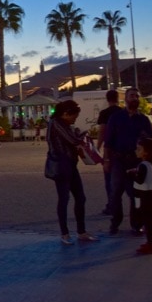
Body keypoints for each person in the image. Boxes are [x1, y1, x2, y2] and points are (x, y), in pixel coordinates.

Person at [46, 100, 98, 245]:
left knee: (80, 198)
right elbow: (73, 141)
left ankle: (81, 231)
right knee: (64, 199)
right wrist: (83, 136)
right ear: (65, 114)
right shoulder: (56, 123)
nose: (75, 118)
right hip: (61, 166)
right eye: (74, 115)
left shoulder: (64, 124)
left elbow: (73, 139)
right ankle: (65, 233)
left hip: (70, 164)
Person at [103, 87, 152, 235]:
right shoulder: (116, 118)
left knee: (136, 195)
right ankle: (115, 223)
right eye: (131, 96)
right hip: (118, 161)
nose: (134, 98)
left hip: (136, 162)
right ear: (125, 99)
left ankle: (136, 224)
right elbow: (108, 141)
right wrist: (107, 160)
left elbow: (150, 143)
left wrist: (150, 162)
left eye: (137, 96)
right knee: (115, 193)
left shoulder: (143, 120)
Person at [128, 138, 152, 254]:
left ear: (146, 152)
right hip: (149, 195)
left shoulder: (143, 165)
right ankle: (149, 243)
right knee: (150, 221)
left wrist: (133, 174)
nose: (136, 151)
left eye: (139, 149)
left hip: (144, 196)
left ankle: (150, 244)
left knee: (148, 221)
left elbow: (140, 180)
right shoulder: (150, 164)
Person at [96, 89, 122, 216]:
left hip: (110, 149)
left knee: (109, 179)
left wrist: (97, 147)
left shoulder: (105, 113)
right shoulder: (123, 112)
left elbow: (102, 131)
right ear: (117, 98)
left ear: (107, 99)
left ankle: (112, 204)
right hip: (123, 148)